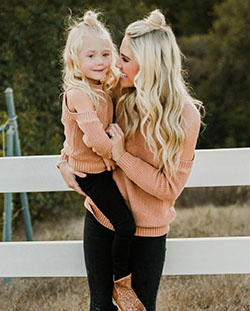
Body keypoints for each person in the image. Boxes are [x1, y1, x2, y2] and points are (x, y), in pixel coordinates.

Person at [58, 9, 203, 311]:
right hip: (102, 217)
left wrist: (120, 155)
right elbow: (80, 128)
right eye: (118, 55)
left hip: (148, 233)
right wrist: (64, 161)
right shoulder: (116, 92)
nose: (114, 65)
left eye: (124, 59)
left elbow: (168, 189)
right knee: (100, 306)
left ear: (149, 65)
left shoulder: (185, 117)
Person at [58, 10, 145, 311]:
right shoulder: (78, 93)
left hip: (101, 170)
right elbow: (95, 141)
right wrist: (114, 153)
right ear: (75, 60)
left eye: (106, 54)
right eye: (91, 55)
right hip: (91, 175)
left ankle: (113, 284)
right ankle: (122, 284)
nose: (100, 61)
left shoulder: (100, 88)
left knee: (115, 224)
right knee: (125, 225)